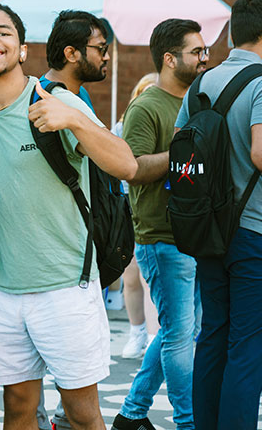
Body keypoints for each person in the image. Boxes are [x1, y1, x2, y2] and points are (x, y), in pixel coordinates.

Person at [0, 3, 136, 430]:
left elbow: (126, 165)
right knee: (18, 412)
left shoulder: (54, 99)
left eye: (3, 32)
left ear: (22, 50)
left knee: (81, 415)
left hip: (66, 287)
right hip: (2, 291)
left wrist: (74, 119)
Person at [176, 0, 262, 430]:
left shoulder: (200, 84)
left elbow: (182, 152)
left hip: (207, 231)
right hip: (255, 230)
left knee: (213, 336)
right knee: (249, 348)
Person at [111, 19, 207, 430]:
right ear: (170, 59)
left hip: (198, 234)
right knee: (180, 336)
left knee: (178, 331)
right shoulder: (147, 106)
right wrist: (181, 153)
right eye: (197, 52)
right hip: (162, 237)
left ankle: (131, 415)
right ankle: (188, 423)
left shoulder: (199, 102)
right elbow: (130, 167)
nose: (205, 58)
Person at [35, 9, 111, 430]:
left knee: (34, 404)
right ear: (71, 51)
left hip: (51, 266)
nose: (106, 59)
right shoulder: (63, 100)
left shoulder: (51, 95)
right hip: (66, 266)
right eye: (101, 49)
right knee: (81, 407)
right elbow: (123, 163)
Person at [114, 72, 158, 361]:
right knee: (130, 276)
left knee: (151, 278)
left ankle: (155, 335)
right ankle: (137, 332)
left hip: (156, 210)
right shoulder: (121, 127)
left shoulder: (170, 123)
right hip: (128, 207)